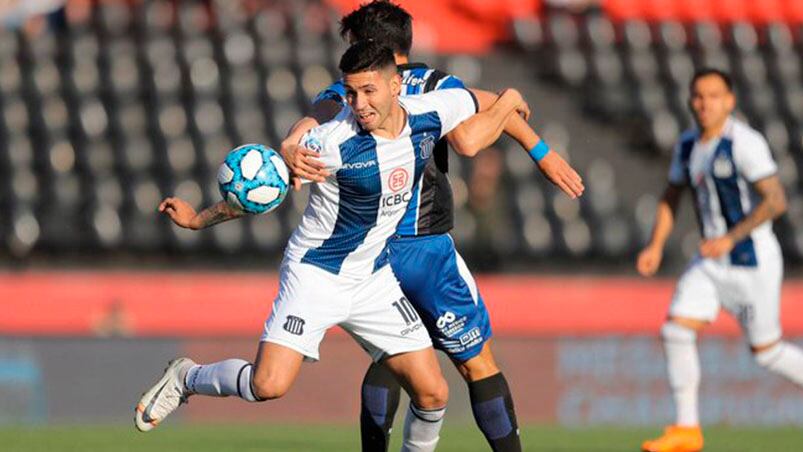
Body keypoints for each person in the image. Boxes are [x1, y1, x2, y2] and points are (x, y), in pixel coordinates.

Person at [135, 40, 529, 452]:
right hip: (316, 275)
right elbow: (264, 187)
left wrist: (508, 103)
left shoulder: (433, 111)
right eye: (351, 92)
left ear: (396, 88)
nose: (358, 104)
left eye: (368, 91)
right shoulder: (332, 142)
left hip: (372, 278)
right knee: (267, 385)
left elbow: (476, 128)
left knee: (433, 393)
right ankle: (187, 377)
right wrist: (199, 219)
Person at [280, 2, 584, 451]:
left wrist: (291, 138)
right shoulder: (437, 84)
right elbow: (480, 123)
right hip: (424, 248)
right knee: (477, 364)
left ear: (372, 48)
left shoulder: (347, 94)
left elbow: (315, 119)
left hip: (370, 253)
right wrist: (540, 148)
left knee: (391, 361)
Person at [637, 68, 802, 452]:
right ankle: (687, 430)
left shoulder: (744, 143)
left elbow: (776, 200)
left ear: (730, 101)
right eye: (698, 96)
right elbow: (671, 195)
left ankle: (687, 428)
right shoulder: (688, 145)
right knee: (675, 330)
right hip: (711, 263)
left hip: (750, 261)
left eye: (713, 96)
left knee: (768, 354)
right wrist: (655, 245)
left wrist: (731, 237)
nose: (704, 103)